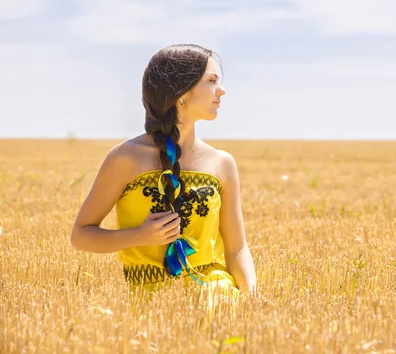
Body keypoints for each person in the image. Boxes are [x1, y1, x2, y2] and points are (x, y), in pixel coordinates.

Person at [70, 44, 257, 296]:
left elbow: (237, 249)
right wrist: (138, 236)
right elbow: (81, 235)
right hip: (150, 302)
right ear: (181, 93)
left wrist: (251, 298)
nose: (221, 90)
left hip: (215, 292)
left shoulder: (222, 163)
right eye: (211, 80)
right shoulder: (125, 158)